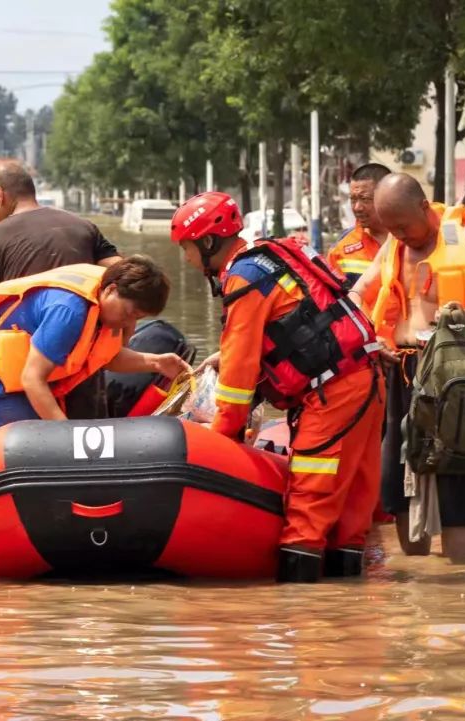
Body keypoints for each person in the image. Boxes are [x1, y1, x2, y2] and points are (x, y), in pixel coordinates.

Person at [171, 191, 385, 583]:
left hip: (331, 395)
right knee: (351, 515)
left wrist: (222, 442)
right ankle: (351, 622)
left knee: (307, 509)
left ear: (206, 243)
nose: (185, 259)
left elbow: (236, 380)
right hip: (365, 380)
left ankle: (300, 618)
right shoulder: (275, 254)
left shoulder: (244, 277)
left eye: (185, 249)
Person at [350, 173, 465, 563]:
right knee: (396, 483)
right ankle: (417, 592)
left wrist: (464, 315)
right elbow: (358, 294)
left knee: (456, 481)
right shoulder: (393, 246)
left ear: (424, 207)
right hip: (402, 370)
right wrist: (371, 341)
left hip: (456, 376)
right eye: (392, 229)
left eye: (404, 226)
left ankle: (458, 591)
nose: (400, 236)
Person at [0, 256, 190, 432]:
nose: (130, 323)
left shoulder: (106, 309)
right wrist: (66, 437)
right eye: (129, 313)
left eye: (138, 318)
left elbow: (107, 357)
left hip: (18, 385)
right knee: (44, 452)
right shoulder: (69, 311)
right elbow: (33, 378)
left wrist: (156, 362)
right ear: (111, 289)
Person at [0, 161, 122, 419]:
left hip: (30, 370)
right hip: (81, 362)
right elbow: (125, 274)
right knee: (90, 443)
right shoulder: (83, 226)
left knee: (42, 447)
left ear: (0, 194)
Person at [327, 162, 392, 291]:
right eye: (353, 199)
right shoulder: (342, 248)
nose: (357, 207)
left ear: (388, 196)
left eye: (365, 198)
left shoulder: (413, 238)